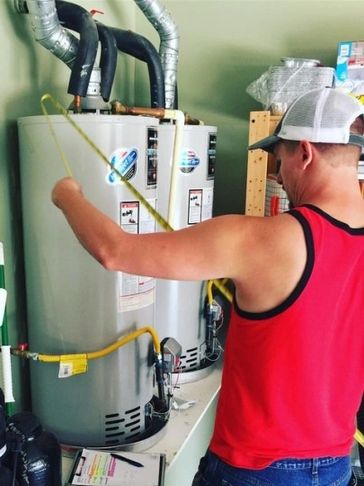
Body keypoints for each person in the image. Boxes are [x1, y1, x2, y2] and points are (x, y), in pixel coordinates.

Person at [51, 87, 364, 486]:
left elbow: (114, 251)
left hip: (255, 469)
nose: (278, 176)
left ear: (305, 153)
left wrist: (67, 195)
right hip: (336, 465)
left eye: (279, 160)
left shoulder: (264, 240)